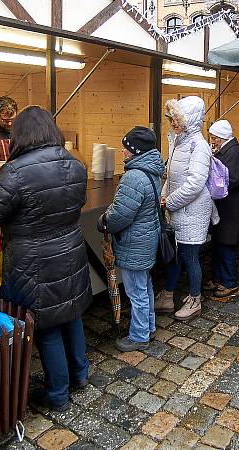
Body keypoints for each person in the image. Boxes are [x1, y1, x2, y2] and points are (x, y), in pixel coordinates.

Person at [0, 106, 91, 412]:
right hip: (70, 250)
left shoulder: (15, 171)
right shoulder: (75, 164)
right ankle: (80, 375)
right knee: (70, 314)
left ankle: (57, 394)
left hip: (33, 261)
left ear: (20, 134)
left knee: (46, 326)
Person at [98, 127, 163, 351]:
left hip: (134, 242)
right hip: (147, 238)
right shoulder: (151, 170)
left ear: (135, 151)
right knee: (144, 286)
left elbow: (120, 216)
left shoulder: (134, 177)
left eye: (126, 148)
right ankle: (149, 327)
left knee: (136, 291)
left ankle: (139, 336)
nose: (123, 152)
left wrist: (103, 221)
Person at [154, 96, 213, 321]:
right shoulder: (179, 142)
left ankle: (195, 300)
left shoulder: (199, 146)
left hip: (193, 212)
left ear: (189, 120)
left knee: (189, 256)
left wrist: (168, 201)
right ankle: (168, 295)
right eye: (172, 119)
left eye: (177, 119)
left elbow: (195, 184)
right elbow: (171, 176)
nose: (173, 124)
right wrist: (163, 195)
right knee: (175, 256)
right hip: (179, 210)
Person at [206, 120, 239, 298]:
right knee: (218, 243)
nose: (213, 141)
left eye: (214, 138)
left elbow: (234, 178)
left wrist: (213, 182)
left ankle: (230, 282)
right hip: (224, 206)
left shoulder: (233, 153)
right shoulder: (227, 150)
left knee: (226, 244)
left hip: (229, 207)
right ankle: (218, 278)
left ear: (220, 137)